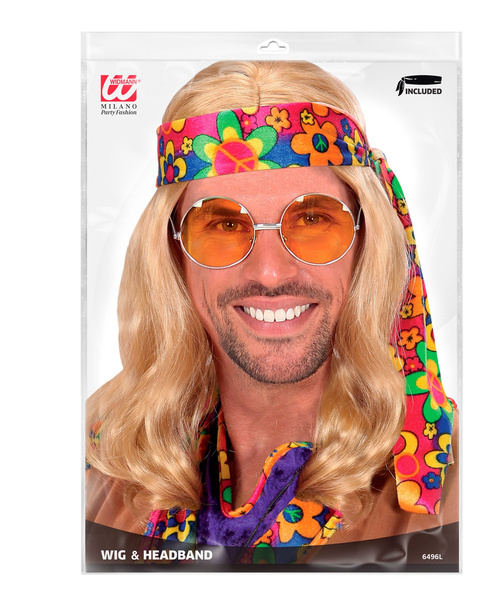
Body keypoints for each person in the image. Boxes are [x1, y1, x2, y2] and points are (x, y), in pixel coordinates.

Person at [86, 60, 458, 565]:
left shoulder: (460, 486)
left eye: (312, 219)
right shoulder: (104, 464)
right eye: (222, 225)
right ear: (172, 253)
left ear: (366, 241)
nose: (269, 272)